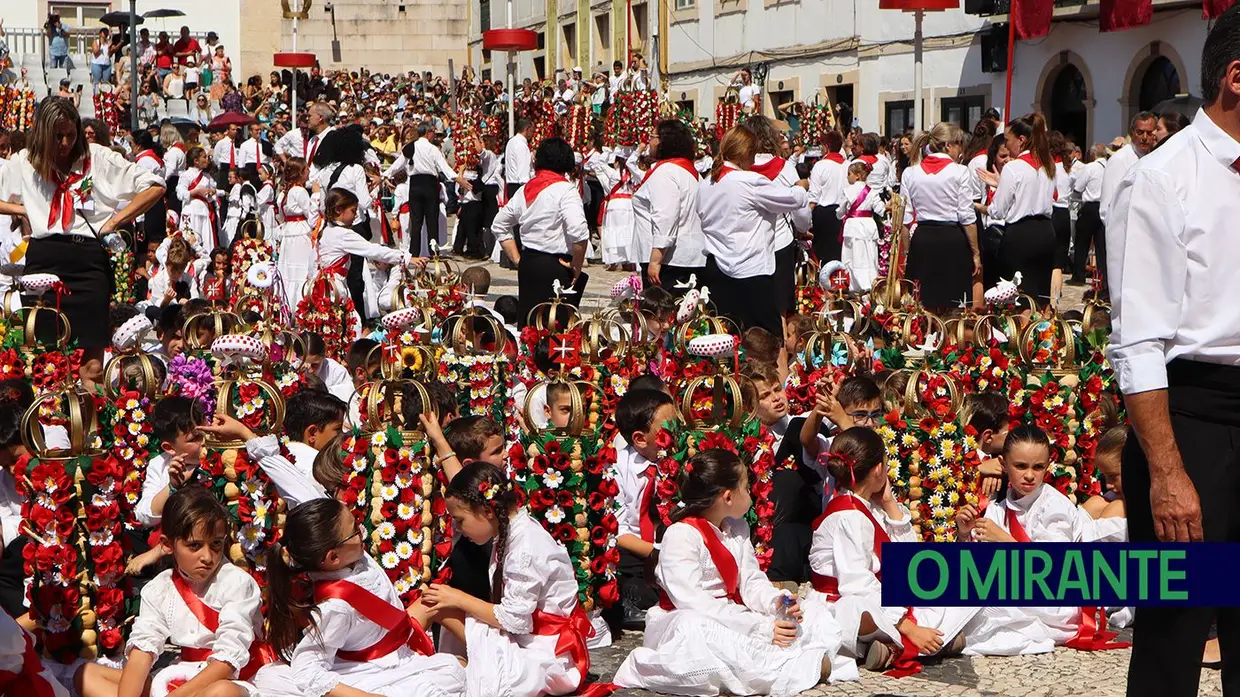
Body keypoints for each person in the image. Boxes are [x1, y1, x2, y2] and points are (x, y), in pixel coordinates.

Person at [1107, 10, 1240, 694]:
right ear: (1238, 79)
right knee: (1175, 630)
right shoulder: (1164, 177)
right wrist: (1166, 470)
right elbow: (1139, 338)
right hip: (1189, 417)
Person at [612, 448, 855, 694]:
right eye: (747, 487)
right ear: (728, 497)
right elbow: (692, 601)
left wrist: (775, 602)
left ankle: (801, 660)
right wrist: (758, 627)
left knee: (811, 610)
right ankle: (799, 664)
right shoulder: (682, 535)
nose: (751, 493)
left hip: (731, 613)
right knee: (697, 628)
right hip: (689, 617)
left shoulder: (736, 528)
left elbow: (751, 580)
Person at [0, 98, 164, 362]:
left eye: (70, 135)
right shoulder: (25, 161)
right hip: (44, 263)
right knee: (47, 361)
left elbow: (155, 185)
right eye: (57, 136)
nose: (65, 143)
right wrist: (23, 210)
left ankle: (91, 403)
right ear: (43, 134)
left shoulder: (98, 157)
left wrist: (114, 222)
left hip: (88, 263)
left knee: (93, 365)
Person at [421, 460, 603, 696]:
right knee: (437, 603)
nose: (457, 527)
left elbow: (516, 621)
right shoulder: (511, 531)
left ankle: (400, 661)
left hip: (544, 654)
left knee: (440, 605)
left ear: (487, 511)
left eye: (460, 519)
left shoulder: (525, 547)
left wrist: (459, 598)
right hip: (529, 640)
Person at [76, 487, 276, 697]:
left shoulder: (237, 583)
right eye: (194, 545)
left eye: (216, 544)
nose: (207, 557)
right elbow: (142, 651)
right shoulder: (160, 588)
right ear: (167, 544)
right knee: (87, 674)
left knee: (222, 692)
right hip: (181, 675)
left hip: (231, 679)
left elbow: (227, 662)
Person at [807, 428, 977, 673]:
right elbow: (856, 584)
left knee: (954, 584)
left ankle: (888, 647)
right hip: (846, 601)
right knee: (862, 614)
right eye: (885, 464)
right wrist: (908, 626)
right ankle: (907, 642)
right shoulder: (850, 517)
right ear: (878, 470)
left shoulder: (868, 506)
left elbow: (907, 558)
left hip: (880, 595)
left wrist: (889, 503)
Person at [264, 498, 466, 697]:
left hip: (400, 639)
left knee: (452, 663)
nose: (362, 531)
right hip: (374, 669)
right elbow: (307, 671)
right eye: (354, 530)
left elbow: (301, 494)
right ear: (333, 558)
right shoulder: (336, 607)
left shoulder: (352, 554)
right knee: (450, 673)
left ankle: (481, 647)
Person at [955, 425, 1128, 654]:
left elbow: (1057, 571)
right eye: (1020, 466)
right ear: (1004, 464)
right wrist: (964, 534)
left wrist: (1005, 541)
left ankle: (960, 640)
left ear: (1047, 467)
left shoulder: (1054, 506)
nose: (1029, 475)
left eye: (1038, 467)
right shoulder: (999, 507)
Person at [697, 126, 809, 338]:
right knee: (767, 341)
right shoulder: (749, 181)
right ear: (747, 154)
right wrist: (801, 187)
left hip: (717, 268)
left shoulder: (706, 183)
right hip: (750, 271)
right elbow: (792, 199)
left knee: (725, 338)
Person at [494, 137, 588, 327]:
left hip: (529, 264)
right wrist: (576, 267)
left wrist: (518, 259)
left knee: (530, 324)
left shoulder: (523, 190)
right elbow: (579, 232)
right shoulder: (565, 190)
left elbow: (499, 225)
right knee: (555, 327)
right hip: (556, 265)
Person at [612, 388, 679, 627]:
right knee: (623, 571)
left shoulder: (679, 459)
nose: (676, 431)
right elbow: (617, 529)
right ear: (640, 439)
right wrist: (654, 551)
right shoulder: (617, 466)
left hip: (674, 548)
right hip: (637, 549)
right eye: (668, 427)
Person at [975, 113, 1057, 306]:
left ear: (1021, 140)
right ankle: (1042, 332)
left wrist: (978, 206)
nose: (1006, 143)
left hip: (1021, 234)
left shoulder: (1014, 167)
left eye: (1007, 139)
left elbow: (998, 211)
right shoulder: (1048, 164)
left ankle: (1020, 333)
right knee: (1040, 294)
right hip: (1046, 232)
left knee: (1017, 294)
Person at [901, 121, 978, 311]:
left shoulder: (910, 173)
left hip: (923, 238)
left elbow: (905, 219)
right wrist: (976, 252)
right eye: (960, 144)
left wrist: (907, 252)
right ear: (948, 145)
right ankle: (951, 337)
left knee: (923, 302)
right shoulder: (960, 171)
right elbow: (967, 216)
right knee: (954, 302)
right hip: (952, 238)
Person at [745, 116, 811, 315]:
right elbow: (800, 208)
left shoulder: (740, 168)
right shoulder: (785, 168)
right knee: (780, 307)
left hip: (746, 245)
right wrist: (803, 229)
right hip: (779, 243)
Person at [632, 119, 707, 292]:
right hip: (687, 255)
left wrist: (655, 260)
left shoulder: (666, 172)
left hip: (669, 260)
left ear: (664, 141)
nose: (648, 142)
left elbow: (665, 216)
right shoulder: (688, 171)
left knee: (659, 316)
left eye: (652, 136)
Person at [403, 122, 470, 256]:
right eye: (433, 131)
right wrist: (457, 178)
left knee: (416, 222)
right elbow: (444, 167)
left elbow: (397, 165)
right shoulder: (432, 149)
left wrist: (383, 176)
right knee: (431, 221)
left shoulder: (410, 148)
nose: (434, 134)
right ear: (428, 133)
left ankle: (413, 254)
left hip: (415, 185)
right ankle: (433, 253)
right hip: (429, 185)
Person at [835, 161, 885, 293]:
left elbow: (840, 212)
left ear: (857, 175)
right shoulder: (872, 191)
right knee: (870, 256)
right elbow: (880, 209)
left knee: (852, 257)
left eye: (849, 174)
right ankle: (871, 285)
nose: (847, 177)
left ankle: (853, 287)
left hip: (853, 227)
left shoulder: (847, 191)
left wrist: (842, 214)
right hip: (868, 226)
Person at [1067, 143, 1107, 285]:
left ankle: (1079, 275)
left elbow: (1078, 187)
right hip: (1104, 207)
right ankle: (1103, 277)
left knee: (1081, 242)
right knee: (1101, 244)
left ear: (1092, 154)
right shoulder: (1110, 167)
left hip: (1090, 207)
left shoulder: (1089, 168)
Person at [808, 130, 848, 264]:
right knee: (840, 256)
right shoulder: (848, 165)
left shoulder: (820, 166)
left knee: (822, 258)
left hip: (824, 216)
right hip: (844, 215)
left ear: (827, 147)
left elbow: (813, 197)